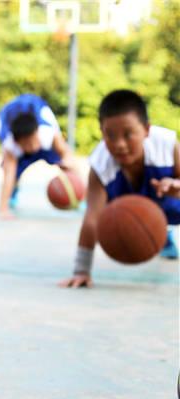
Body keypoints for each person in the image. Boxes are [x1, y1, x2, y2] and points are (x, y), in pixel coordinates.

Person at [61, 89, 180, 288]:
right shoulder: (100, 164)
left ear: (146, 129)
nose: (119, 144)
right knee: (116, 216)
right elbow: (92, 219)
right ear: (101, 133)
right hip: (126, 208)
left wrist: (177, 187)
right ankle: (158, 233)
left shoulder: (168, 145)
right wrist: (81, 270)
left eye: (128, 134)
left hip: (169, 202)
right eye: (110, 135)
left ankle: (162, 231)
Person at [0, 94, 81, 218]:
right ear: (17, 142)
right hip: (10, 123)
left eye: (32, 141)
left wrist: (66, 162)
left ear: (37, 132)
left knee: (69, 166)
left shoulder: (48, 133)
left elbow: (66, 152)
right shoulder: (10, 144)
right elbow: (9, 175)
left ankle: (84, 196)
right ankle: (11, 195)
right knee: (13, 173)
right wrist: (3, 209)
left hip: (42, 135)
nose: (32, 147)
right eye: (26, 144)